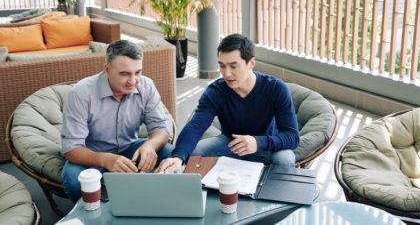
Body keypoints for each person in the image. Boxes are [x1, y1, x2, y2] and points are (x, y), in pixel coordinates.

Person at [157, 34, 299, 173]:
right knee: (193, 152)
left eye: (233, 66)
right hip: (229, 144)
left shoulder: (275, 88)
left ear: (251, 63)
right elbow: (195, 126)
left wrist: (258, 142)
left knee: (285, 158)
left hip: (267, 147)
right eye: (222, 66)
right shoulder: (216, 91)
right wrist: (178, 157)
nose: (227, 73)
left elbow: (292, 137)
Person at [61, 39, 173, 202]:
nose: (133, 81)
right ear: (106, 69)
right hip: (92, 155)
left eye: (138, 72)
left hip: (130, 150)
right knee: (73, 179)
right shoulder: (81, 93)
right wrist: (106, 159)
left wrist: (149, 145)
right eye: (124, 74)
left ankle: (154, 203)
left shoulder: (147, 86)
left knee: (171, 154)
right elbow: (71, 149)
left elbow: (161, 130)